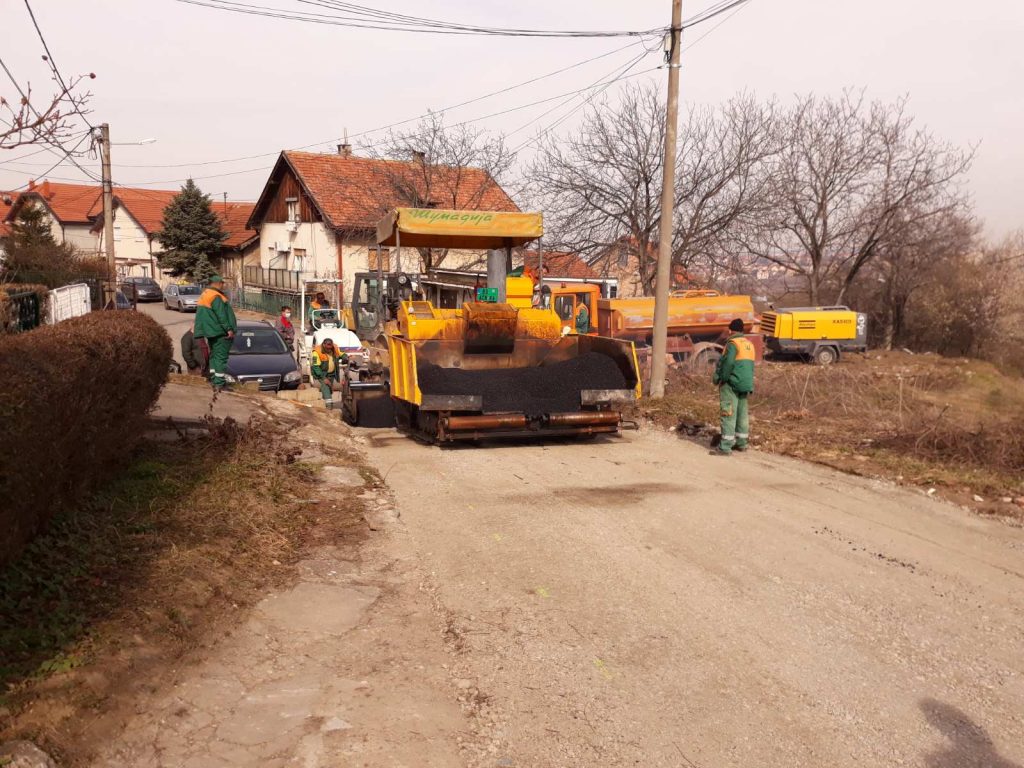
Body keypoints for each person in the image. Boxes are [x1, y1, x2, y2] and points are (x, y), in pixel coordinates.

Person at [711, 318, 756, 455]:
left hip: (731, 383)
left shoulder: (732, 344)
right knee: (742, 414)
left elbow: (728, 364)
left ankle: (725, 446)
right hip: (745, 384)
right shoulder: (749, 344)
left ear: (730, 330)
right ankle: (741, 443)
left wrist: (721, 379)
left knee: (728, 412)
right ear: (742, 330)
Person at [193, 274, 237, 391]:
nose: (223, 286)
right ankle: (219, 383)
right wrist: (228, 329)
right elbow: (221, 315)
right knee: (221, 358)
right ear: (218, 283)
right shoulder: (216, 296)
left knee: (214, 356)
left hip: (211, 332)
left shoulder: (205, 294)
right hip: (220, 333)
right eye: (222, 283)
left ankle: (214, 379)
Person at [311, 338, 346, 408]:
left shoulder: (334, 348)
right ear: (324, 345)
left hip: (331, 374)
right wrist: (323, 378)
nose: (329, 350)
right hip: (322, 373)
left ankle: (323, 403)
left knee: (329, 389)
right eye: (327, 348)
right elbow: (316, 367)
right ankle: (329, 407)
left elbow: (341, 354)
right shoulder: (317, 352)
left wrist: (345, 357)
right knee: (326, 387)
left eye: (330, 348)